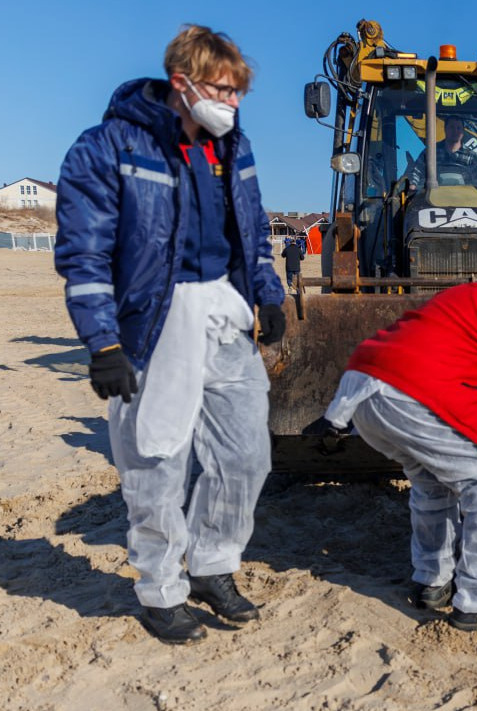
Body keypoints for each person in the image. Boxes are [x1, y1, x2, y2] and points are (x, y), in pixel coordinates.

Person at [53, 26, 285, 644]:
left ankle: (213, 564)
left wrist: (267, 293)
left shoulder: (233, 147)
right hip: (153, 323)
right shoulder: (109, 148)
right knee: (156, 459)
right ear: (182, 83)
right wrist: (102, 343)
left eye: (239, 94)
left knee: (245, 454)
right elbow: (85, 254)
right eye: (222, 89)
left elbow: (255, 229)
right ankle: (159, 589)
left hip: (222, 313)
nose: (231, 104)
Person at [307, 244, 477, 631]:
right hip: (415, 391)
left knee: (432, 480)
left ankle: (432, 580)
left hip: (362, 388)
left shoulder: (472, 291)